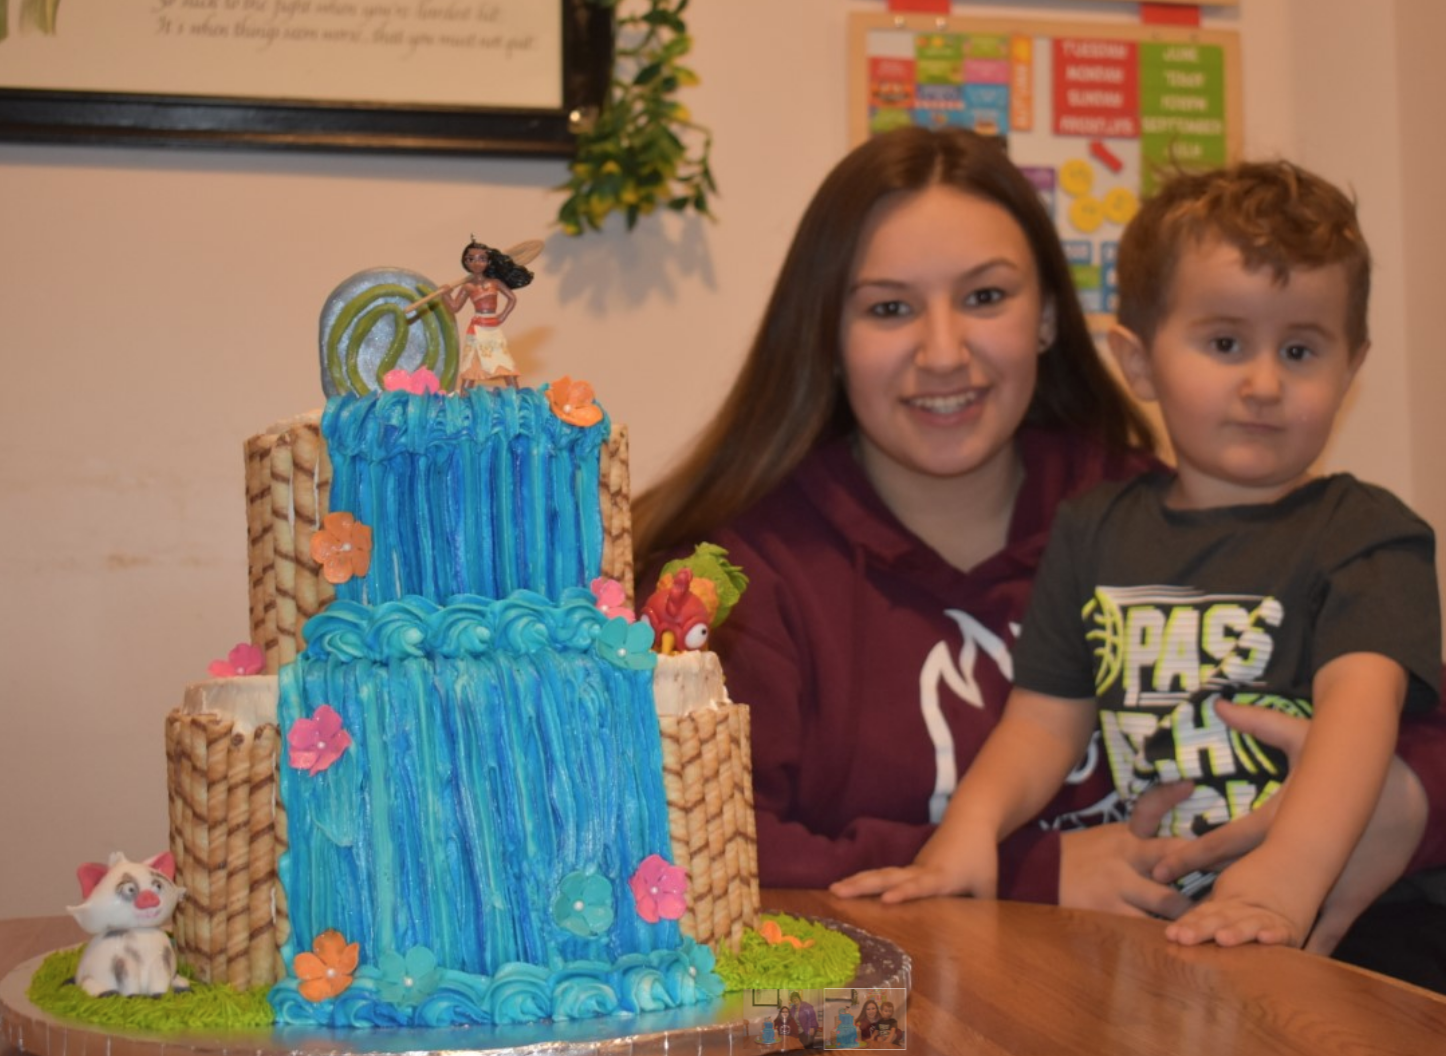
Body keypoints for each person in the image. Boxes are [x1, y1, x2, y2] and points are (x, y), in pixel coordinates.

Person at [632, 128, 1446, 958]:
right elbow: (686, 843)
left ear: (1051, 317)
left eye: (986, 298)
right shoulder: (735, 583)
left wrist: (1396, 804)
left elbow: (1398, 708)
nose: (944, 352)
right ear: (828, 338)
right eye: (888, 308)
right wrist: (1033, 870)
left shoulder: (1161, 503)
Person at [441, 240, 533, 389]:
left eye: (482, 259)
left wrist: (502, 315)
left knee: (504, 362)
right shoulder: (468, 286)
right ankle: (464, 399)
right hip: (477, 328)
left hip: (493, 328)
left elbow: (512, 298)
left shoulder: (494, 283)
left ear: (488, 261)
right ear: (465, 262)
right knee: (472, 365)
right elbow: (454, 307)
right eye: (471, 259)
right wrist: (446, 295)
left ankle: (516, 398)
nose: (477, 263)